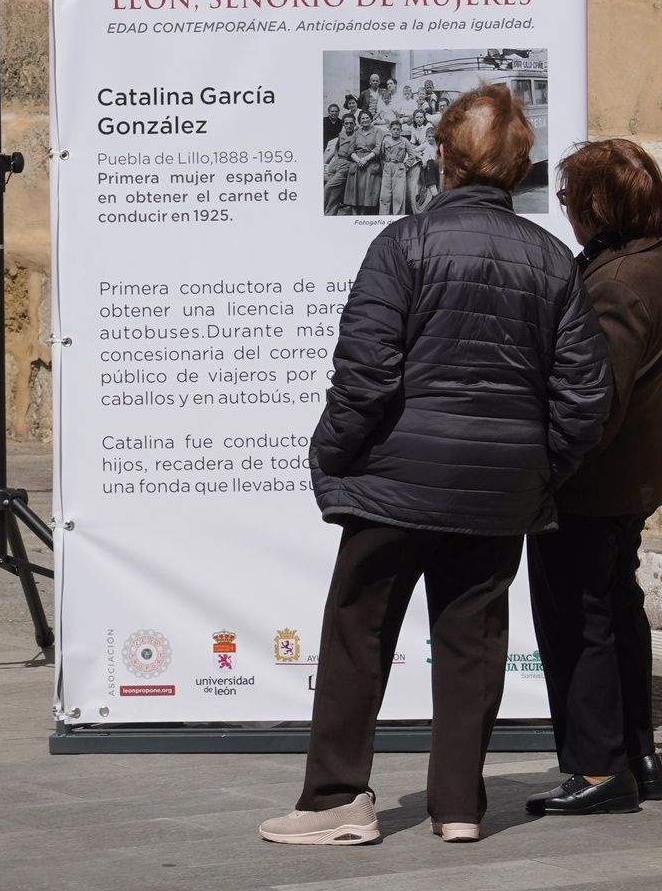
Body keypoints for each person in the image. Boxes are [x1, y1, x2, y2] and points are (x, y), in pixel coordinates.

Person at [258, 83, 611, 847]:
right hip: (497, 491)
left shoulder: (403, 244)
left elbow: (365, 373)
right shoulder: (554, 261)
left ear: (444, 159)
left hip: (395, 480)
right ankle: (458, 806)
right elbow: (585, 396)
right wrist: (535, 468)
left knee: (359, 632)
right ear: (517, 170)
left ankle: (336, 800)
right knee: (473, 642)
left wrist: (332, 452)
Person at [524, 140, 662, 817]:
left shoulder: (619, 281)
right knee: (616, 610)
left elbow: (597, 397)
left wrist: (547, 471)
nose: (564, 211)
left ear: (597, 204)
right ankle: (637, 755)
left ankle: (596, 768)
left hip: (593, 483)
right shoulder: (658, 256)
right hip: (629, 478)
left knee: (579, 617)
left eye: (568, 199)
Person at [343, 110, 381, 215]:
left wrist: (366, 159)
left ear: (371, 118)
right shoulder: (356, 132)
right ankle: (355, 216)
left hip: (370, 161)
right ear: (359, 121)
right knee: (355, 193)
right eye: (362, 118)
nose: (365, 120)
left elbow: (378, 148)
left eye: (367, 117)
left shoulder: (377, 131)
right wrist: (358, 160)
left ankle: (363, 216)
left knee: (366, 193)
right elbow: (350, 150)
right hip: (357, 162)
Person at [323, 115, 356, 215]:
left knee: (329, 187)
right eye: (346, 123)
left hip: (346, 164)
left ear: (355, 123)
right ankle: (330, 214)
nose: (349, 125)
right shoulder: (341, 134)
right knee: (335, 194)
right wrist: (336, 158)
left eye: (351, 123)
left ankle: (326, 213)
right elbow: (337, 147)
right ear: (343, 124)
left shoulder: (357, 135)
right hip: (336, 163)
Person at [377, 118, 409, 216]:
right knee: (384, 195)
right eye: (394, 129)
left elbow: (412, 155)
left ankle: (398, 217)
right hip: (387, 167)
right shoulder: (385, 141)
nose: (396, 131)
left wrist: (405, 166)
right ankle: (383, 217)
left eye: (398, 129)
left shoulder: (404, 141)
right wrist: (385, 166)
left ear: (401, 130)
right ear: (390, 130)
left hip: (399, 167)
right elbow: (381, 155)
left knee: (398, 195)